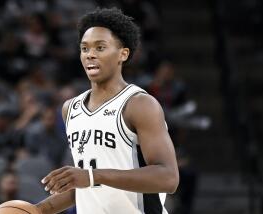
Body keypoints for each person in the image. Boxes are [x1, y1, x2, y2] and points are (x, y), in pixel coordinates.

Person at [36, 8, 179, 214]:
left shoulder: (139, 104)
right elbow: (89, 187)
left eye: (100, 47)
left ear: (123, 53)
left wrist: (93, 176)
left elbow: (168, 178)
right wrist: (37, 210)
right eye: (84, 49)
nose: (90, 55)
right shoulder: (71, 109)